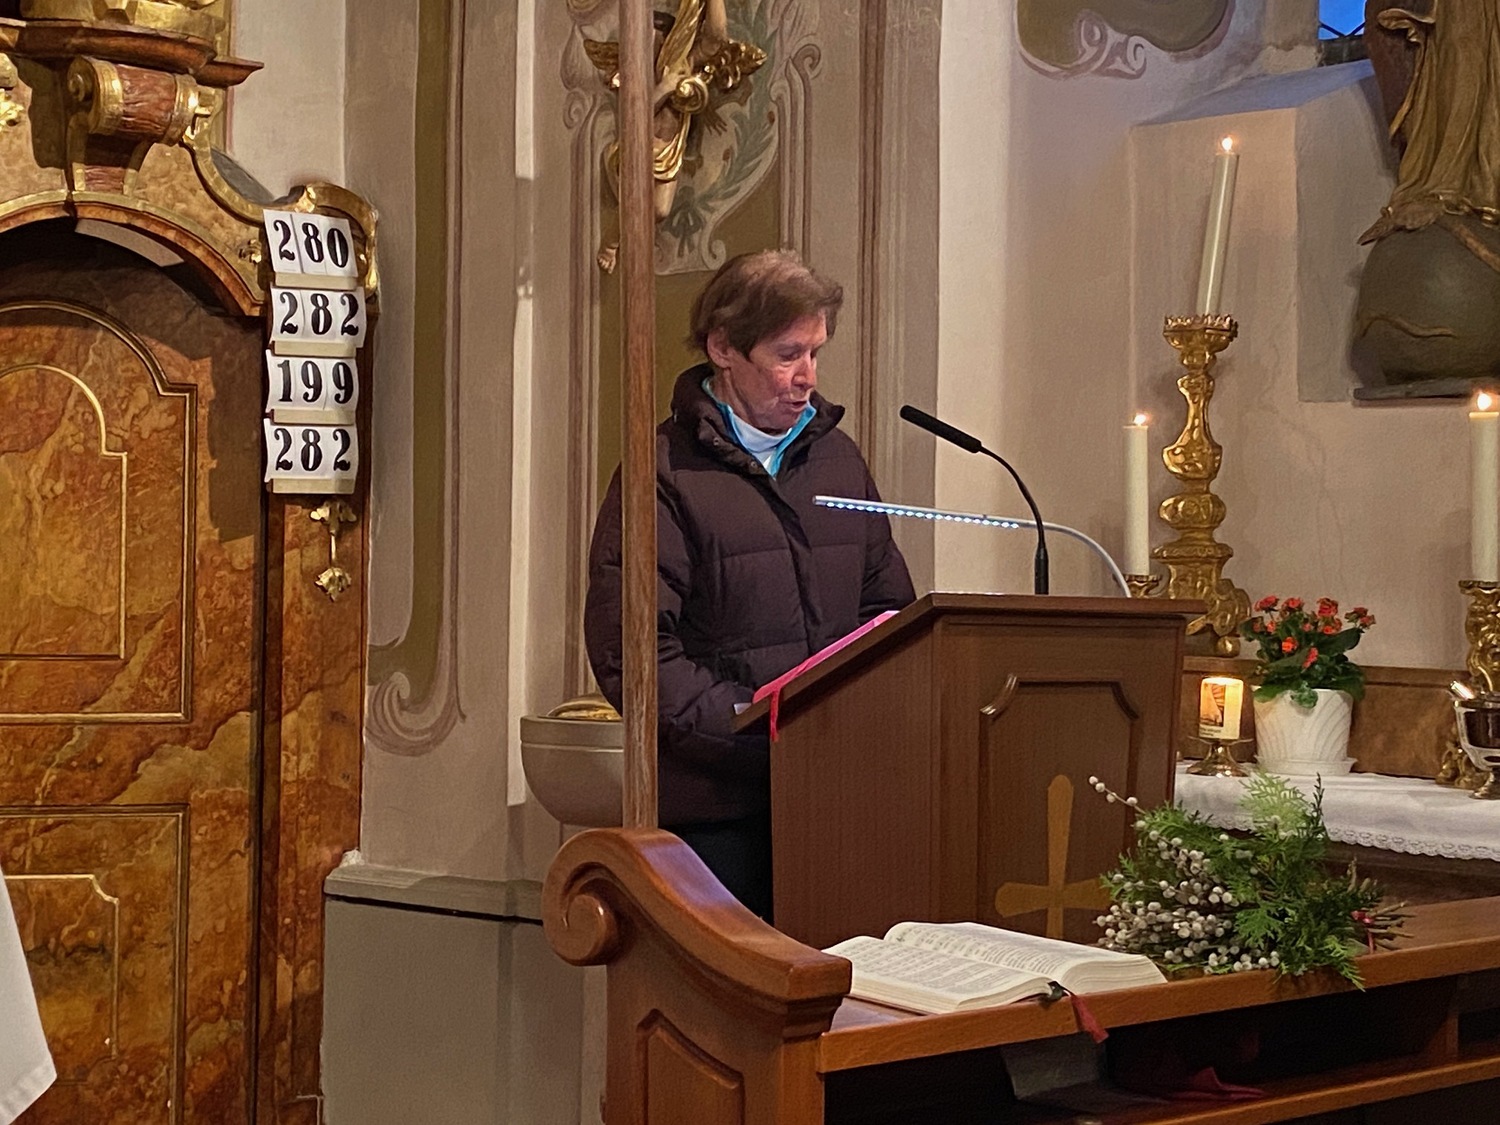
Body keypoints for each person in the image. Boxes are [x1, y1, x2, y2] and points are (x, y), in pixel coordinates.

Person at [584, 250, 914, 920]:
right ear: (723, 349)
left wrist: (849, 727)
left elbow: (888, 610)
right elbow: (636, 654)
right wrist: (755, 729)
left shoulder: (838, 460)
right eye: (787, 354)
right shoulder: (662, 472)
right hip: (716, 814)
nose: (807, 377)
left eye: (815, 353)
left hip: (835, 801)